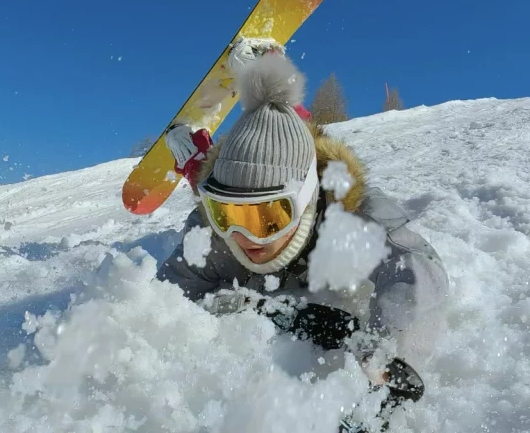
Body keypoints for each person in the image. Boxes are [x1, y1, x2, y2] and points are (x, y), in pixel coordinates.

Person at [156, 51, 450, 401]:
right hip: (231, 173)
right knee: (203, 174)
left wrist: (387, 348)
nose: (244, 237)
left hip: (298, 164)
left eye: (269, 217)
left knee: (294, 131)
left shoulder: (350, 217)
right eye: (227, 215)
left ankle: (266, 74)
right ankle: (190, 151)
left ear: (306, 203)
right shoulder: (213, 235)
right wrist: (251, 307)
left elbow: (417, 269)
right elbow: (167, 303)